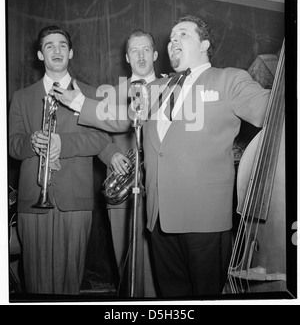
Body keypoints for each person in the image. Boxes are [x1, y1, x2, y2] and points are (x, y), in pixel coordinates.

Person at [53, 15, 271, 298]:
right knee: (171, 298)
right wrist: (80, 102)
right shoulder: (155, 88)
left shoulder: (229, 79)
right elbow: (121, 118)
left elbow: (271, 109)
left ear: (204, 44)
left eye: (183, 34)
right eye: (171, 36)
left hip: (204, 220)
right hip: (159, 219)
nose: (174, 40)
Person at [8, 25, 112, 295]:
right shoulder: (21, 97)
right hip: (33, 198)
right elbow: (12, 145)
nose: (57, 50)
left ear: (71, 53)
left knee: (70, 281)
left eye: (62, 45)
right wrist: (31, 142)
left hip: (75, 198)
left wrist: (62, 143)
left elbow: (101, 139)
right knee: (35, 280)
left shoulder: (90, 93)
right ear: (40, 55)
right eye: (49, 46)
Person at [97, 30, 157, 297]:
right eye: (135, 50)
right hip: (122, 187)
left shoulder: (173, 91)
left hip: (161, 189)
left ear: (155, 54)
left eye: (146, 50)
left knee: (161, 266)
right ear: (127, 57)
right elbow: (96, 137)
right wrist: (111, 154)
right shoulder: (112, 94)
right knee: (126, 265)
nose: (141, 55)